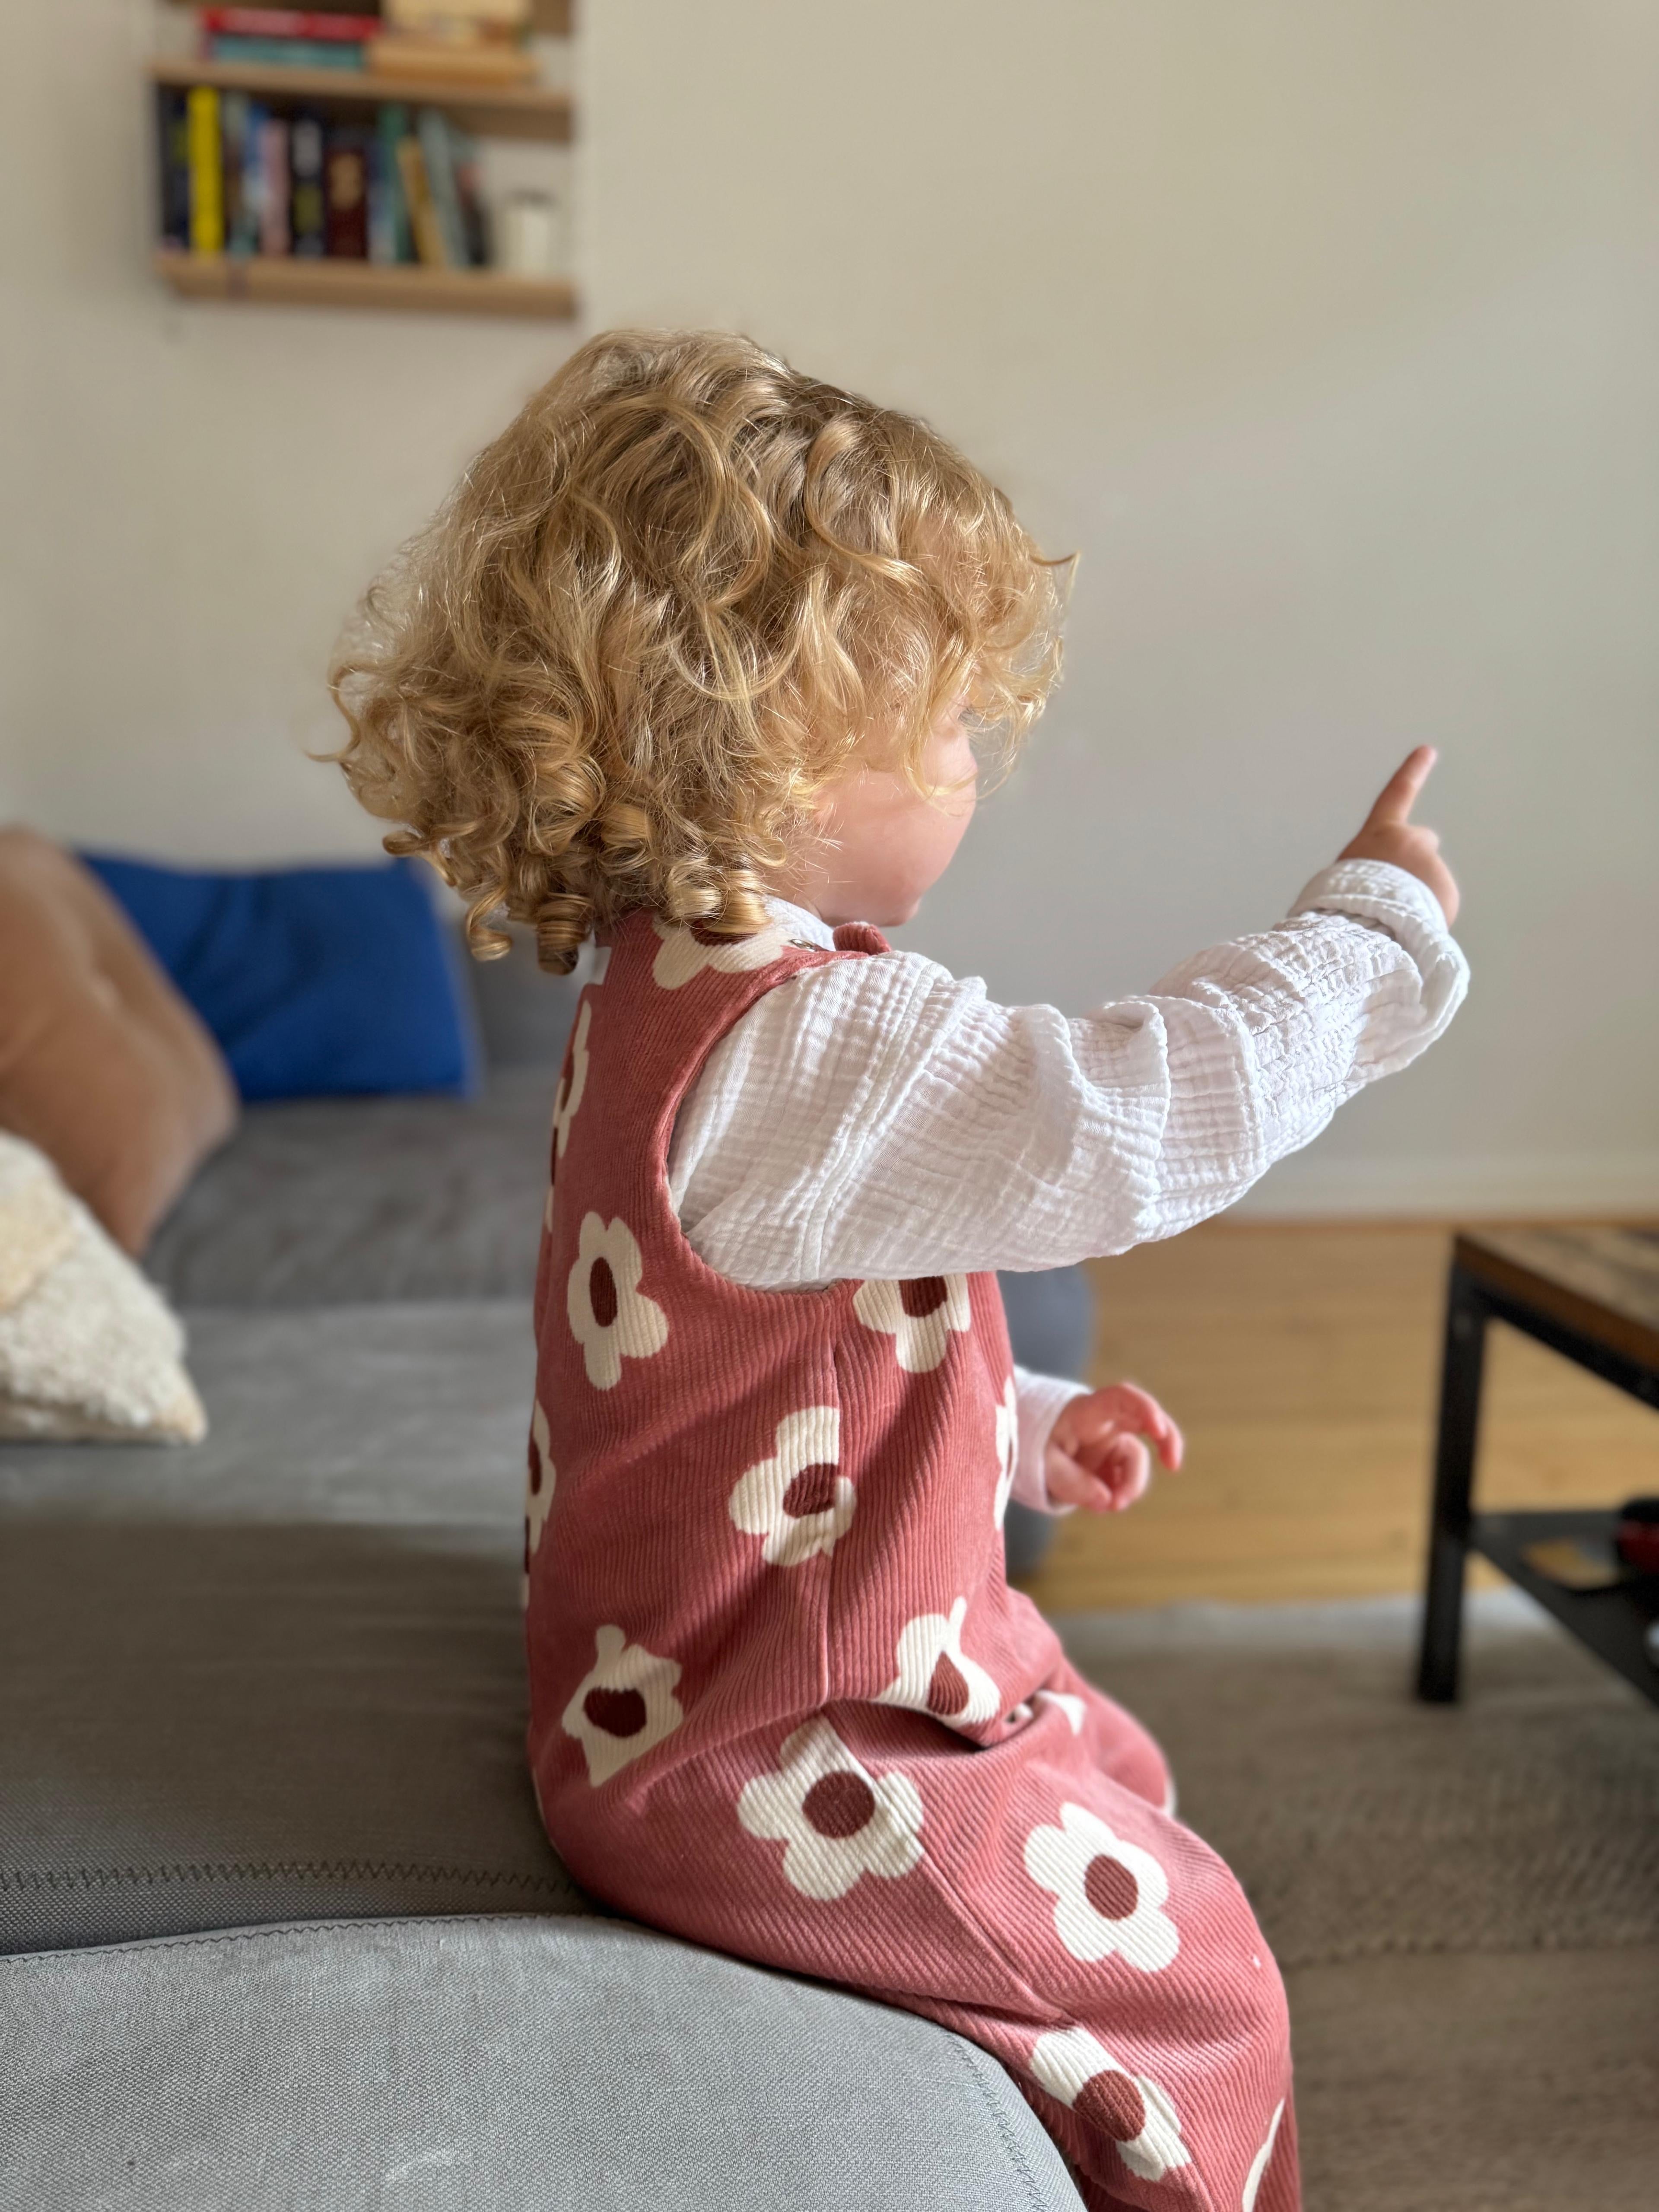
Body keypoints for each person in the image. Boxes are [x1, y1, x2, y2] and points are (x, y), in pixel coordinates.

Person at [332, 330, 1466, 2212]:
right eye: (949, 727)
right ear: (768, 746)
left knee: (1119, 1764)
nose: (973, 770)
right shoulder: (799, 1040)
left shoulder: (663, 991)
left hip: (724, 1681)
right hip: (773, 1753)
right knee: (1209, 1978)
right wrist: (1369, 928)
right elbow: (1123, 1126)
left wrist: (1013, 1424)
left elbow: (748, 1376)